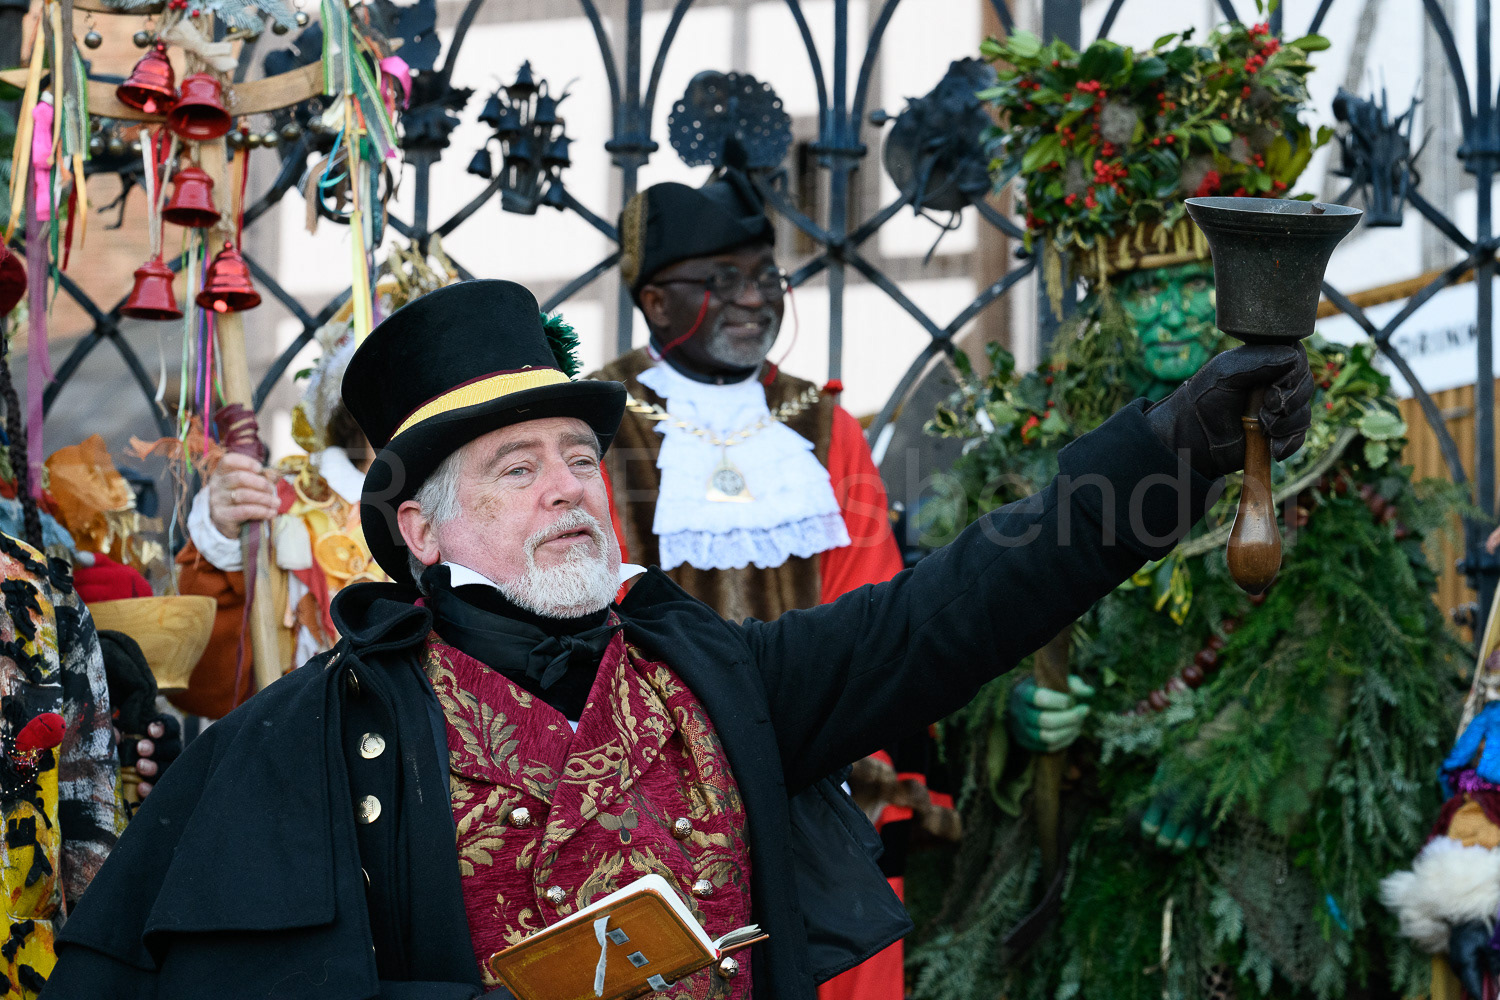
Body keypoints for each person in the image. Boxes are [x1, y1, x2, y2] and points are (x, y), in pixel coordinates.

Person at [43, 278, 1312, 1000]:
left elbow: (961, 602)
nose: (567, 485)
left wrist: (1178, 441)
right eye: (516, 466)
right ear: (420, 531)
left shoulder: (718, 672)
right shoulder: (313, 736)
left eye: (582, 456)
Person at [599, 161, 934, 998]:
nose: (756, 297)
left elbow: (875, 606)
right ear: (655, 301)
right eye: (723, 280)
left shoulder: (825, 427)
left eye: (765, 276)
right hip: (649, 801)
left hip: (823, 789)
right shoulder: (594, 421)